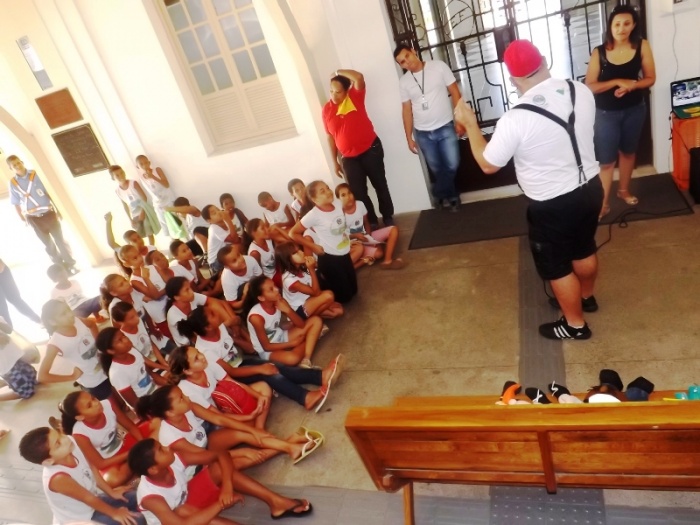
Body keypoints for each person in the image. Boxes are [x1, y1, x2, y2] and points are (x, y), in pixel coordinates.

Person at [457, 39, 602, 340]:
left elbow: (488, 164)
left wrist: (470, 125)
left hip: (552, 204)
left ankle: (575, 325)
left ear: (512, 79)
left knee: (557, 266)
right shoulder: (580, 90)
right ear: (544, 60)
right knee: (584, 246)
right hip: (591, 188)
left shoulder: (516, 118)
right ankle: (586, 297)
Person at [178, 304, 343, 412]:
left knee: (276, 367)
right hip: (231, 377)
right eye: (212, 314)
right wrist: (260, 368)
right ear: (208, 327)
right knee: (269, 374)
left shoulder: (219, 327)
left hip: (242, 362)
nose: (216, 312)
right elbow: (231, 372)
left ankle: (320, 377)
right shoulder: (205, 350)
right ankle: (304, 397)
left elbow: (242, 347)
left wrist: (241, 339)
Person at [128, 438, 314, 523]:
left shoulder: (175, 457)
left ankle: (277, 503)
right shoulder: (151, 497)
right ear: (153, 469)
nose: (167, 447)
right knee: (182, 510)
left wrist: (227, 486)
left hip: (188, 502)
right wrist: (220, 503)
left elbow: (220, 455)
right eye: (161, 450)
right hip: (180, 521)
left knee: (218, 469)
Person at [584, 5, 656, 219]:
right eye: (617, 24)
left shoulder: (642, 46)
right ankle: (603, 204)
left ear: (633, 25)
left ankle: (623, 190)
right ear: (610, 26)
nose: (621, 28)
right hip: (605, 114)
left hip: (635, 110)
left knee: (628, 153)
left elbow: (650, 78)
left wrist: (632, 86)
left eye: (626, 24)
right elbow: (590, 85)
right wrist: (617, 81)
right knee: (606, 162)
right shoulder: (599, 52)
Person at [18, 426, 145, 525]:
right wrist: (115, 513)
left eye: (60, 434)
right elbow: (88, 499)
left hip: (93, 501)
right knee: (137, 520)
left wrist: (111, 492)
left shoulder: (71, 443)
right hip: (81, 518)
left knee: (139, 497)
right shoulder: (58, 478)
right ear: (49, 461)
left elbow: (92, 467)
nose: (65, 439)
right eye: (58, 443)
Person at [394, 45, 463, 212]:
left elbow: (455, 92)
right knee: (437, 169)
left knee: (452, 164)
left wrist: (460, 120)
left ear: (413, 51)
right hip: (423, 133)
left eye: (407, 56)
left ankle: (437, 192)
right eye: (402, 62)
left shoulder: (438, 67)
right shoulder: (404, 82)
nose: (407, 62)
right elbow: (406, 110)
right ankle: (452, 197)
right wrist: (409, 137)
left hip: (445, 126)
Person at [323, 69, 394, 228]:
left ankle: (388, 216)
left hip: (371, 150)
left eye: (338, 92)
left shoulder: (354, 97)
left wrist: (337, 72)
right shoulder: (326, 109)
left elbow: (359, 77)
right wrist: (335, 162)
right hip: (348, 158)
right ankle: (372, 221)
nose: (334, 96)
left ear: (346, 90)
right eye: (331, 91)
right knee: (358, 193)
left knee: (380, 185)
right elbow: (330, 137)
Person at [58, 390, 150, 487]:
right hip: (111, 460)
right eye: (89, 405)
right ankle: (138, 461)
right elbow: (100, 464)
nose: (96, 403)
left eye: (93, 398)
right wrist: (133, 453)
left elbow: (131, 427)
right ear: (80, 417)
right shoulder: (79, 433)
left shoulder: (108, 405)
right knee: (112, 480)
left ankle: (135, 466)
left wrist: (143, 443)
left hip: (125, 443)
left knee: (156, 423)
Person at [289, 180, 357, 303]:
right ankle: (323, 290)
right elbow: (293, 233)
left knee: (354, 291)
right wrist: (313, 246)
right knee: (345, 298)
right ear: (314, 199)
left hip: (344, 253)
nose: (328, 192)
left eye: (327, 188)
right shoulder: (313, 215)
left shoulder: (337, 204)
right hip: (330, 258)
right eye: (322, 191)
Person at [7, 155, 77, 273]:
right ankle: (60, 269)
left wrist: (58, 210)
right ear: (11, 168)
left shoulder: (36, 174)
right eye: (14, 165)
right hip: (33, 218)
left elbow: (49, 192)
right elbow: (16, 203)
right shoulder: (13, 183)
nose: (18, 166)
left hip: (49, 214)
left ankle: (71, 265)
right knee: (48, 245)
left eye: (18, 163)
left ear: (22, 162)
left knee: (60, 241)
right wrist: (22, 219)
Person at [39, 300, 114, 400]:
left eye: (68, 309)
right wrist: (72, 377)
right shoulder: (55, 344)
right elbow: (42, 376)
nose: (70, 314)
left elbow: (92, 324)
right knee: (112, 404)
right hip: (94, 381)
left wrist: (99, 344)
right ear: (52, 322)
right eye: (63, 314)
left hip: (107, 367)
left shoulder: (77, 321)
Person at [243, 275, 323, 368]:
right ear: (261, 298)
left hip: (281, 335)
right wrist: (292, 344)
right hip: (268, 350)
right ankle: (311, 338)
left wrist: (288, 311)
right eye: (271, 289)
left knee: (316, 321)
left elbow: (301, 325)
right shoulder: (256, 317)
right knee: (292, 359)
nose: (277, 289)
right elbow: (266, 347)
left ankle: (306, 358)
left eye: (274, 285)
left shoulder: (279, 300)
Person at [335, 183, 405, 270]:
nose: (348, 197)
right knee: (379, 254)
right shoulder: (338, 214)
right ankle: (362, 261)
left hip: (365, 237)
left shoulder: (360, 204)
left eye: (349, 193)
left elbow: (366, 222)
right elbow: (341, 236)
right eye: (343, 195)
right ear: (338, 198)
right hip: (354, 244)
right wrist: (355, 236)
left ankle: (387, 261)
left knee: (394, 229)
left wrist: (368, 236)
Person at [275, 242, 344, 319]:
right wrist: (311, 270)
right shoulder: (288, 280)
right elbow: (316, 293)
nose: (301, 252)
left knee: (338, 311)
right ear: (287, 259)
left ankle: (315, 315)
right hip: (299, 310)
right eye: (295, 253)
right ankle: (307, 320)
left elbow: (314, 289)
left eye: (299, 250)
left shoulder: (301, 267)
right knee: (329, 295)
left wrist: (314, 265)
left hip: (309, 300)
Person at [110, 165, 159, 246]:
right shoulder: (117, 191)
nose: (121, 176)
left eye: (122, 173)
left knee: (149, 232)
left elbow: (144, 197)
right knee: (139, 234)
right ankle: (143, 249)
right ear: (113, 178)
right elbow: (125, 205)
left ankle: (152, 248)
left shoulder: (133, 183)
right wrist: (130, 219)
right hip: (134, 213)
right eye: (117, 175)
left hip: (143, 209)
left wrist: (143, 212)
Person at [135, 155, 180, 239]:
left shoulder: (157, 170)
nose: (144, 165)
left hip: (168, 201)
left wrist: (153, 177)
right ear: (137, 166)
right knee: (166, 226)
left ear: (149, 163)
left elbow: (166, 185)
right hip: (158, 205)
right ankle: (174, 242)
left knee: (176, 224)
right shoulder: (141, 177)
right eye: (141, 164)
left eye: (146, 162)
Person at [0, 315, 39, 401]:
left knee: (33, 377)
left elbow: (9, 330)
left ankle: (9, 384)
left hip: (17, 358)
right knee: (27, 392)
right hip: (8, 368)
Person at [0, 258, 42, 328]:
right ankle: (7, 330)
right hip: (2, 270)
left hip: (2, 270)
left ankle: (37, 320)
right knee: (2, 306)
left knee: (15, 299)